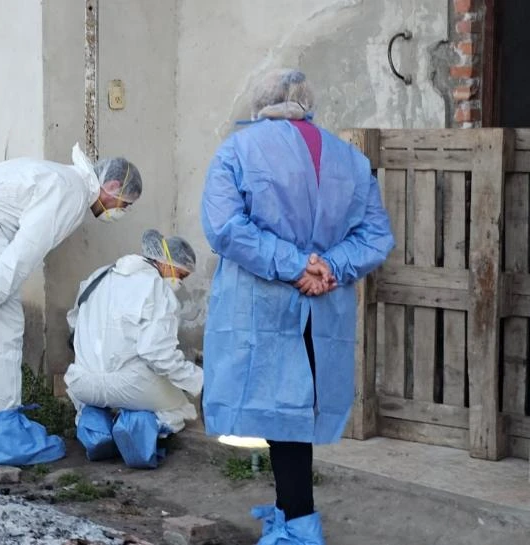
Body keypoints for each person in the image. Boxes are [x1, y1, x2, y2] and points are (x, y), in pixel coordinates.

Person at [201, 69, 394, 544]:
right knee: (293, 416)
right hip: (322, 305)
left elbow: (224, 227)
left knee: (281, 417)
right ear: (308, 103)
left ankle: (299, 526)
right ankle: (292, 513)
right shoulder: (350, 159)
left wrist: (293, 265)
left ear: (260, 102)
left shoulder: (237, 150)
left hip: (263, 305)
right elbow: (375, 237)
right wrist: (327, 266)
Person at [0, 143, 142, 467]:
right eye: (124, 204)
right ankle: (6, 438)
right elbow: (25, 251)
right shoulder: (71, 192)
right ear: (111, 186)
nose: (119, 211)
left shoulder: (58, 178)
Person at [64, 229, 203, 469]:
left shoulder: (98, 276)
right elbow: (157, 354)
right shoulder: (157, 288)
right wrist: (198, 380)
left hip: (81, 382)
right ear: (167, 264)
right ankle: (135, 428)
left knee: (96, 397)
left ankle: (95, 427)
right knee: (180, 407)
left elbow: (74, 324)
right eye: (181, 275)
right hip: (130, 386)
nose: (180, 282)